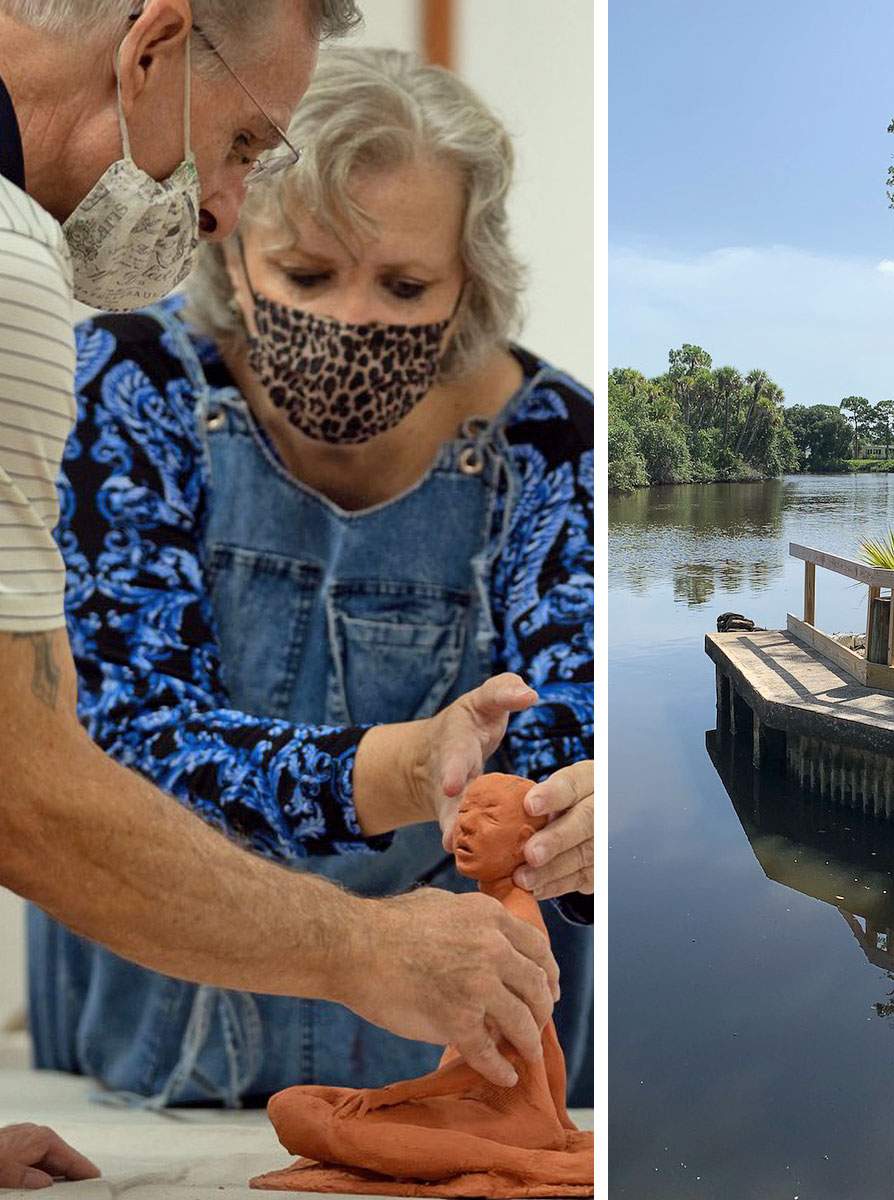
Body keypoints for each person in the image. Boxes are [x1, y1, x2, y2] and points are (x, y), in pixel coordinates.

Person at [0, 1, 560, 1187]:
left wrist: (580, 809)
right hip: (148, 1039)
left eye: (406, 285)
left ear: (471, 286)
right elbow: (69, 764)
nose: (353, 320)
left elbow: (574, 724)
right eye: (305, 269)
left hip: (464, 1043)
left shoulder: (551, 441)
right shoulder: (100, 353)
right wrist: (410, 778)